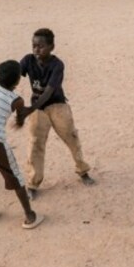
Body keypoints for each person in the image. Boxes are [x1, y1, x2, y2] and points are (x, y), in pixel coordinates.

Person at [20, 28, 94, 200]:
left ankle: (83, 171)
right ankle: (32, 183)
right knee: (35, 144)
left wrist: (30, 109)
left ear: (52, 47)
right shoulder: (28, 60)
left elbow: (48, 92)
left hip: (57, 106)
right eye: (34, 46)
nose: (37, 50)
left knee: (72, 139)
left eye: (41, 46)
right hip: (38, 110)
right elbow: (14, 74)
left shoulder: (57, 64)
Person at [0, 61, 44, 229]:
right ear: (18, 81)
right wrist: (32, 108)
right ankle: (29, 216)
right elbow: (20, 118)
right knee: (15, 176)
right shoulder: (16, 100)